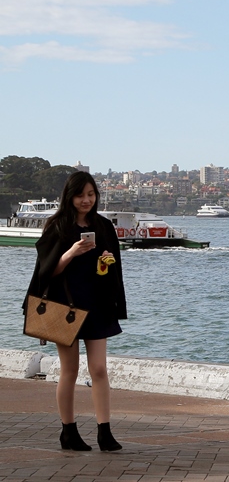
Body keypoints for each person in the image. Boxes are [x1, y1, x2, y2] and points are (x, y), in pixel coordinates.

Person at [24, 171, 127, 452]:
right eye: (81, 195)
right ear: (70, 196)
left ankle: (104, 431)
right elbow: (47, 272)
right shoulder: (57, 226)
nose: (86, 200)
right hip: (65, 306)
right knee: (69, 369)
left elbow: (111, 269)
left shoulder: (104, 226)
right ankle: (68, 431)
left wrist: (107, 260)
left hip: (98, 305)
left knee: (99, 369)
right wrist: (71, 252)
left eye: (91, 194)